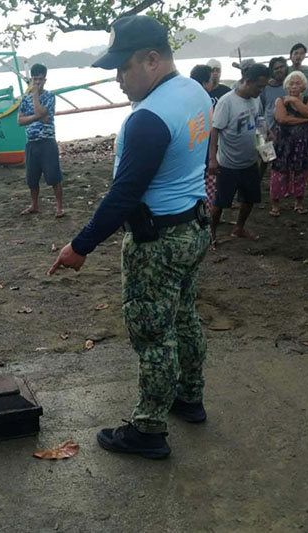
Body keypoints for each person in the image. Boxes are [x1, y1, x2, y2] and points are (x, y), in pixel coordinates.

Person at [48, 15, 212, 460]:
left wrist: (79, 246)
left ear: (152, 59)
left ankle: (148, 430)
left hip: (157, 243)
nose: (118, 80)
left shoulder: (149, 119)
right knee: (184, 318)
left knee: (154, 334)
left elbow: (123, 194)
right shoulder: (195, 92)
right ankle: (189, 398)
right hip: (194, 227)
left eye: (123, 69)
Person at [209, 63, 270, 246]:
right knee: (220, 202)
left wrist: (266, 145)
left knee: (250, 197)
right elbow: (215, 130)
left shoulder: (255, 99)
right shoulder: (227, 101)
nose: (261, 90)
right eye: (259, 86)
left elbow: (258, 122)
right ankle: (211, 234)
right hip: (228, 162)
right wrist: (213, 158)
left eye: (264, 87)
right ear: (248, 81)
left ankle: (239, 227)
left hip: (250, 160)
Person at [17, 63, 64, 217]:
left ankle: (59, 207)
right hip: (31, 142)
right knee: (32, 177)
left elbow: (44, 112)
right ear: (31, 79)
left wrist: (35, 95)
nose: (37, 82)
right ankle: (34, 205)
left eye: (40, 79)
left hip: (47, 141)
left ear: (45, 80)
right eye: (35, 79)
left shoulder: (50, 97)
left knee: (53, 175)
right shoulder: (24, 99)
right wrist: (37, 117)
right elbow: (20, 121)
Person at [269, 71, 308, 216]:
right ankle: (276, 205)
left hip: (303, 143)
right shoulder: (280, 101)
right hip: (284, 142)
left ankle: (299, 203)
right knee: (279, 173)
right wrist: (304, 120)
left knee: (301, 173)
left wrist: (295, 102)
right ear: (286, 86)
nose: (294, 86)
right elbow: (282, 119)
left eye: (297, 83)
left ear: (304, 86)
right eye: (291, 83)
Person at [191, 64, 217, 207]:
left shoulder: (185, 99)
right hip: (204, 153)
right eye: (211, 81)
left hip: (191, 157)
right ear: (204, 83)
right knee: (206, 191)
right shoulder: (204, 100)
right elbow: (212, 129)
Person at [260, 57, 288, 132]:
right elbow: (261, 109)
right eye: (276, 68)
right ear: (272, 71)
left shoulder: (291, 86)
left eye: (281, 67)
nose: (279, 70)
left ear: (286, 68)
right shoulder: (265, 88)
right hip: (270, 131)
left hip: (288, 128)